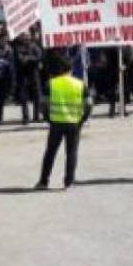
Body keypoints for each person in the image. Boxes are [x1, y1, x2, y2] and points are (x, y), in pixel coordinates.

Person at [36, 55, 92, 190]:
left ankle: (44, 181)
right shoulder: (80, 84)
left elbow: (42, 104)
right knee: (71, 153)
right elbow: (89, 104)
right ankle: (69, 182)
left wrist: (47, 118)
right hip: (74, 123)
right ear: (70, 69)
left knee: (50, 152)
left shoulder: (51, 83)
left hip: (56, 123)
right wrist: (82, 119)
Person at [15, 33, 43, 124]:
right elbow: (19, 59)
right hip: (23, 74)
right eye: (24, 37)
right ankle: (25, 117)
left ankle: (36, 116)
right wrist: (28, 59)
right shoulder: (18, 47)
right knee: (24, 97)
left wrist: (28, 58)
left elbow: (39, 57)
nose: (26, 39)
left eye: (27, 37)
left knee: (37, 96)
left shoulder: (35, 47)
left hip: (34, 74)